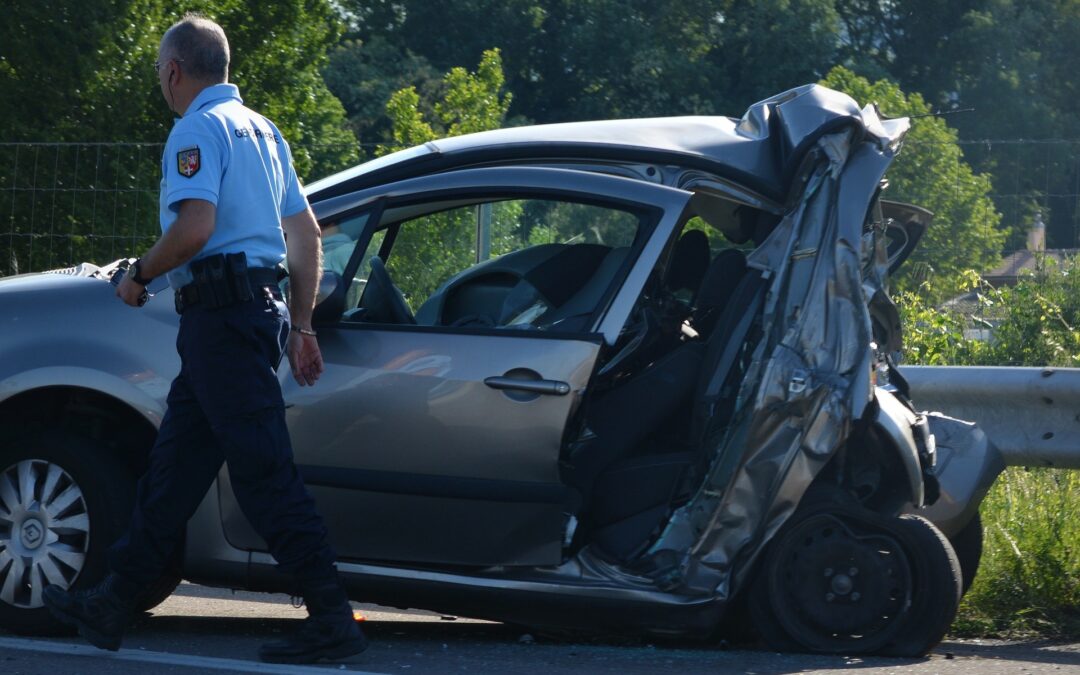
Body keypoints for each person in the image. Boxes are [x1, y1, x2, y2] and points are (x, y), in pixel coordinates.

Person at [42, 13, 367, 665]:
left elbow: (195, 227)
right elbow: (303, 234)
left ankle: (332, 616)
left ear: (173, 71)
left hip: (222, 321)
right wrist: (301, 324)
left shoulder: (196, 129)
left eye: (160, 73)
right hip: (248, 318)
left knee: (263, 471)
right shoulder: (262, 129)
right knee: (174, 469)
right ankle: (111, 602)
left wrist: (138, 275)